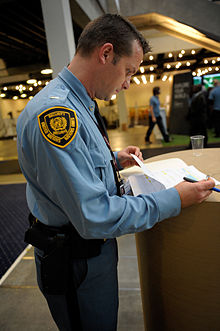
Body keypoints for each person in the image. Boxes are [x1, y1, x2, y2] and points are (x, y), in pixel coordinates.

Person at [16, 14, 215, 331]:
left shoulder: (79, 103)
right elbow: (94, 215)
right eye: (128, 72)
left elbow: (73, 160)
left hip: (87, 254)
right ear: (106, 53)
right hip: (77, 261)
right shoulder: (56, 115)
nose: (128, 83)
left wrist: (111, 159)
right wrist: (174, 199)